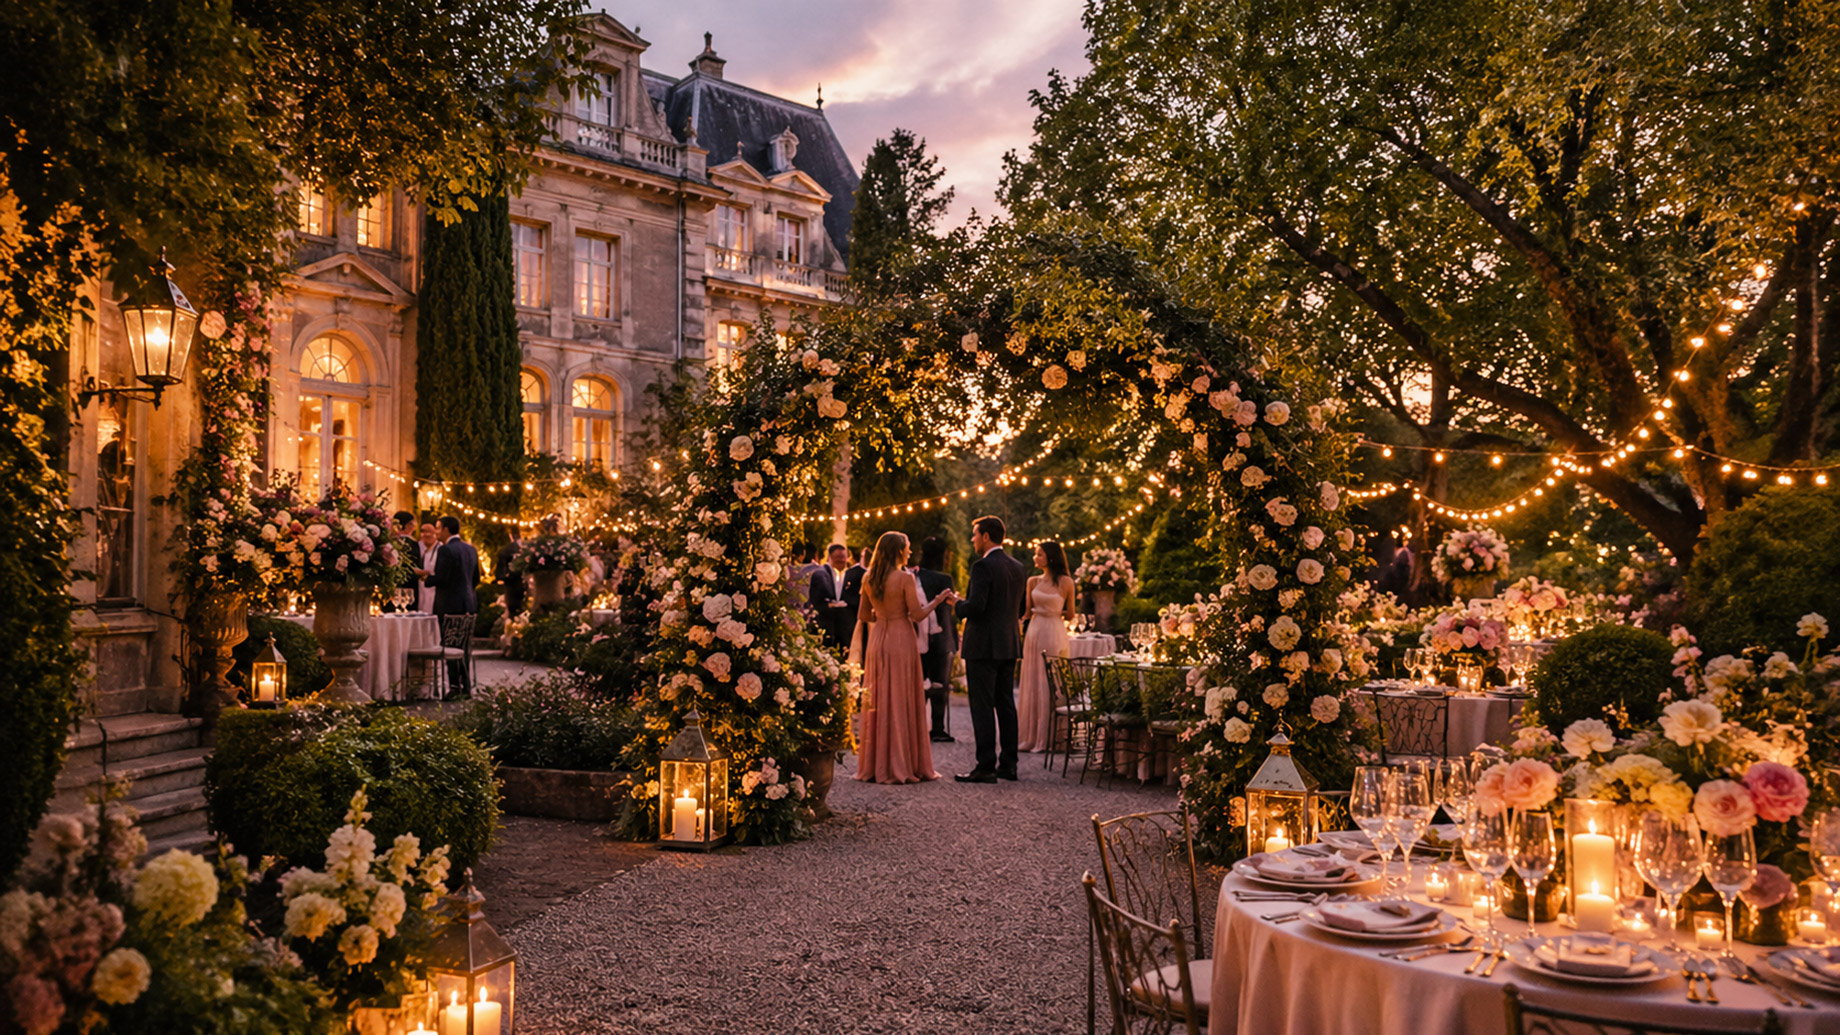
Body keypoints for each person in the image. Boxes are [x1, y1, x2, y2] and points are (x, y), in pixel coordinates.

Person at [855, 531, 955, 784]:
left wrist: (884, 615)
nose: (910, 552)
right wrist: (937, 600)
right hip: (901, 639)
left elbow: (864, 616)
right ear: (899, 550)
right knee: (901, 698)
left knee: (879, 698)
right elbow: (918, 615)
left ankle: (877, 764)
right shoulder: (905, 578)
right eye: (907, 547)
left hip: (879, 640)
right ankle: (904, 762)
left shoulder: (868, 578)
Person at [954, 515, 1028, 783]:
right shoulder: (1018, 567)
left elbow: (977, 607)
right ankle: (1009, 765)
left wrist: (958, 604)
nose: (973, 539)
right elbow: (1020, 609)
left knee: (982, 706)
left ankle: (985, 766)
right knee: (1006, 704)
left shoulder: (982, 566)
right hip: (1009, 643)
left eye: (975, 534)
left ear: (986, 536)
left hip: (983, 646)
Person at [1017, 540, 1075, 753]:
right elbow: (1026, 611)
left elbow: (1071, 614)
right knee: (1033, 678)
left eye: (1039, 554)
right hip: (1035, 630)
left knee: (1050, 680)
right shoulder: (1032, 581)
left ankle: (1050, 736)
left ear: (1050, 557)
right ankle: (1030, 736)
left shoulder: (1066, 582)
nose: (1035, 557)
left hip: (1053, 630)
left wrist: (1051, 612)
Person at [425, 516, 480, 700]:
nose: (437, 532)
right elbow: (476, 579)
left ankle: (455, 687)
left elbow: (442, 578)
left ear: (447, 529)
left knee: (450, 646)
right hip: (469, 605)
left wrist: (426, 577)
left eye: (439, 528)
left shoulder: (446, 550)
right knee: (463, 647)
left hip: (449, 605)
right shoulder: (470, 549)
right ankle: (466, 687)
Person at [914, 536, 958, 743]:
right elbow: (949, 609)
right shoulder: (944, 579)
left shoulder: (915, 575)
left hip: (919, 636)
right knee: (941, 683)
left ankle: (917, 724)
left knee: (921, 682)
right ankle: (938, 727)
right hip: (942, 636)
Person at [808, 543, 863, 650]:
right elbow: (816, 599)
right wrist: (830, 604)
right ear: (830, 557)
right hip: (827, 624)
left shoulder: (846, 574)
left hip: (842, 627)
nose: (842, 560)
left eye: (844, 557)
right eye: (838, 557)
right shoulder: (821, 574)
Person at [495, 524, 524, 621]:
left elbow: (501, 566)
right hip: (524, 582)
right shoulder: (525, 548)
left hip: (511, 583)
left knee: (512, 608)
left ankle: (512, 628)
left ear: (510, 535)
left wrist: (501, 577)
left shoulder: (506, 550)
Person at [415, 521, 440, 613]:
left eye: (430, 532)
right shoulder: (420, 547)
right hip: (422, 590)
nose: (426, 535)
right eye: (423, 532)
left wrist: (423, 572)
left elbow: (437, 571)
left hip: (433, 591)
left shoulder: (440, 549)